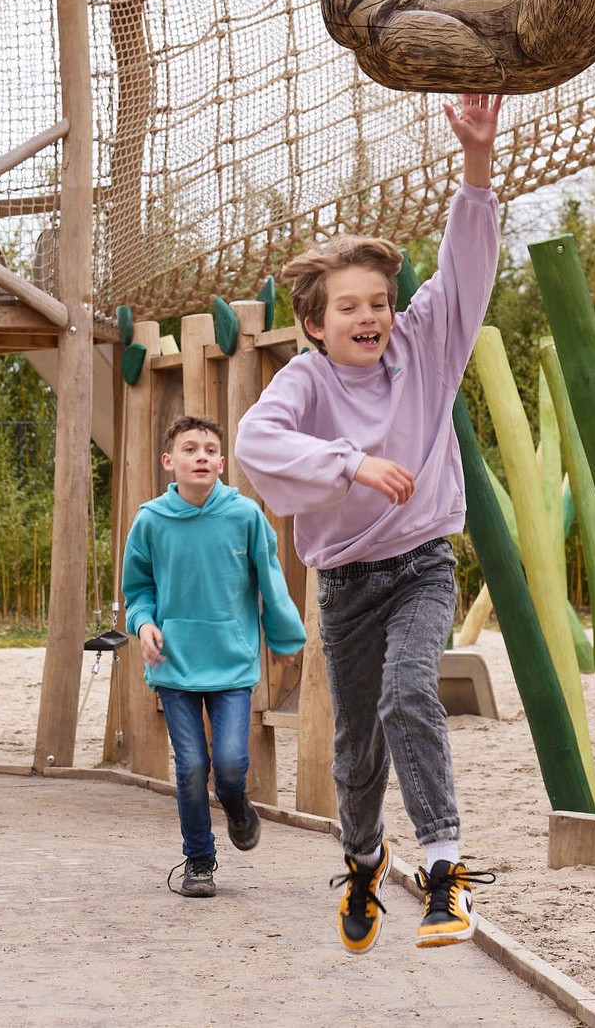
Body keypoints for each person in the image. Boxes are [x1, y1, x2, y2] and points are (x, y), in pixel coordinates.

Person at [235, 93, 502, 953]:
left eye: (379, 303)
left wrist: (476, 166)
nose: (369, 319)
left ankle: (446, 873)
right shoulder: (306, 385)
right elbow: (257, 447)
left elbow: (466, 268)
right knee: (355, 747)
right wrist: (349, 463)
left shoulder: (426, 347)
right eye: (348, 307)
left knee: (407, 694)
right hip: (345, 583)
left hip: (422, 563)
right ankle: (361, 861)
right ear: (315, 325)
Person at [121, 414, 307, 898]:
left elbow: (271, 579)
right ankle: (199, 860)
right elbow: (137, 591)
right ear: (170, 461)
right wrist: (143, 626)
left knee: (227, 763)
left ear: (222, 463)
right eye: (189, 448)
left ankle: (237, 804)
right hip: (174, 665)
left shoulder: (245, 516)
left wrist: (285, 638)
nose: (200, 455)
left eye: (209, 449)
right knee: (189, 767)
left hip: (232, 663)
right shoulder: (150, 521)